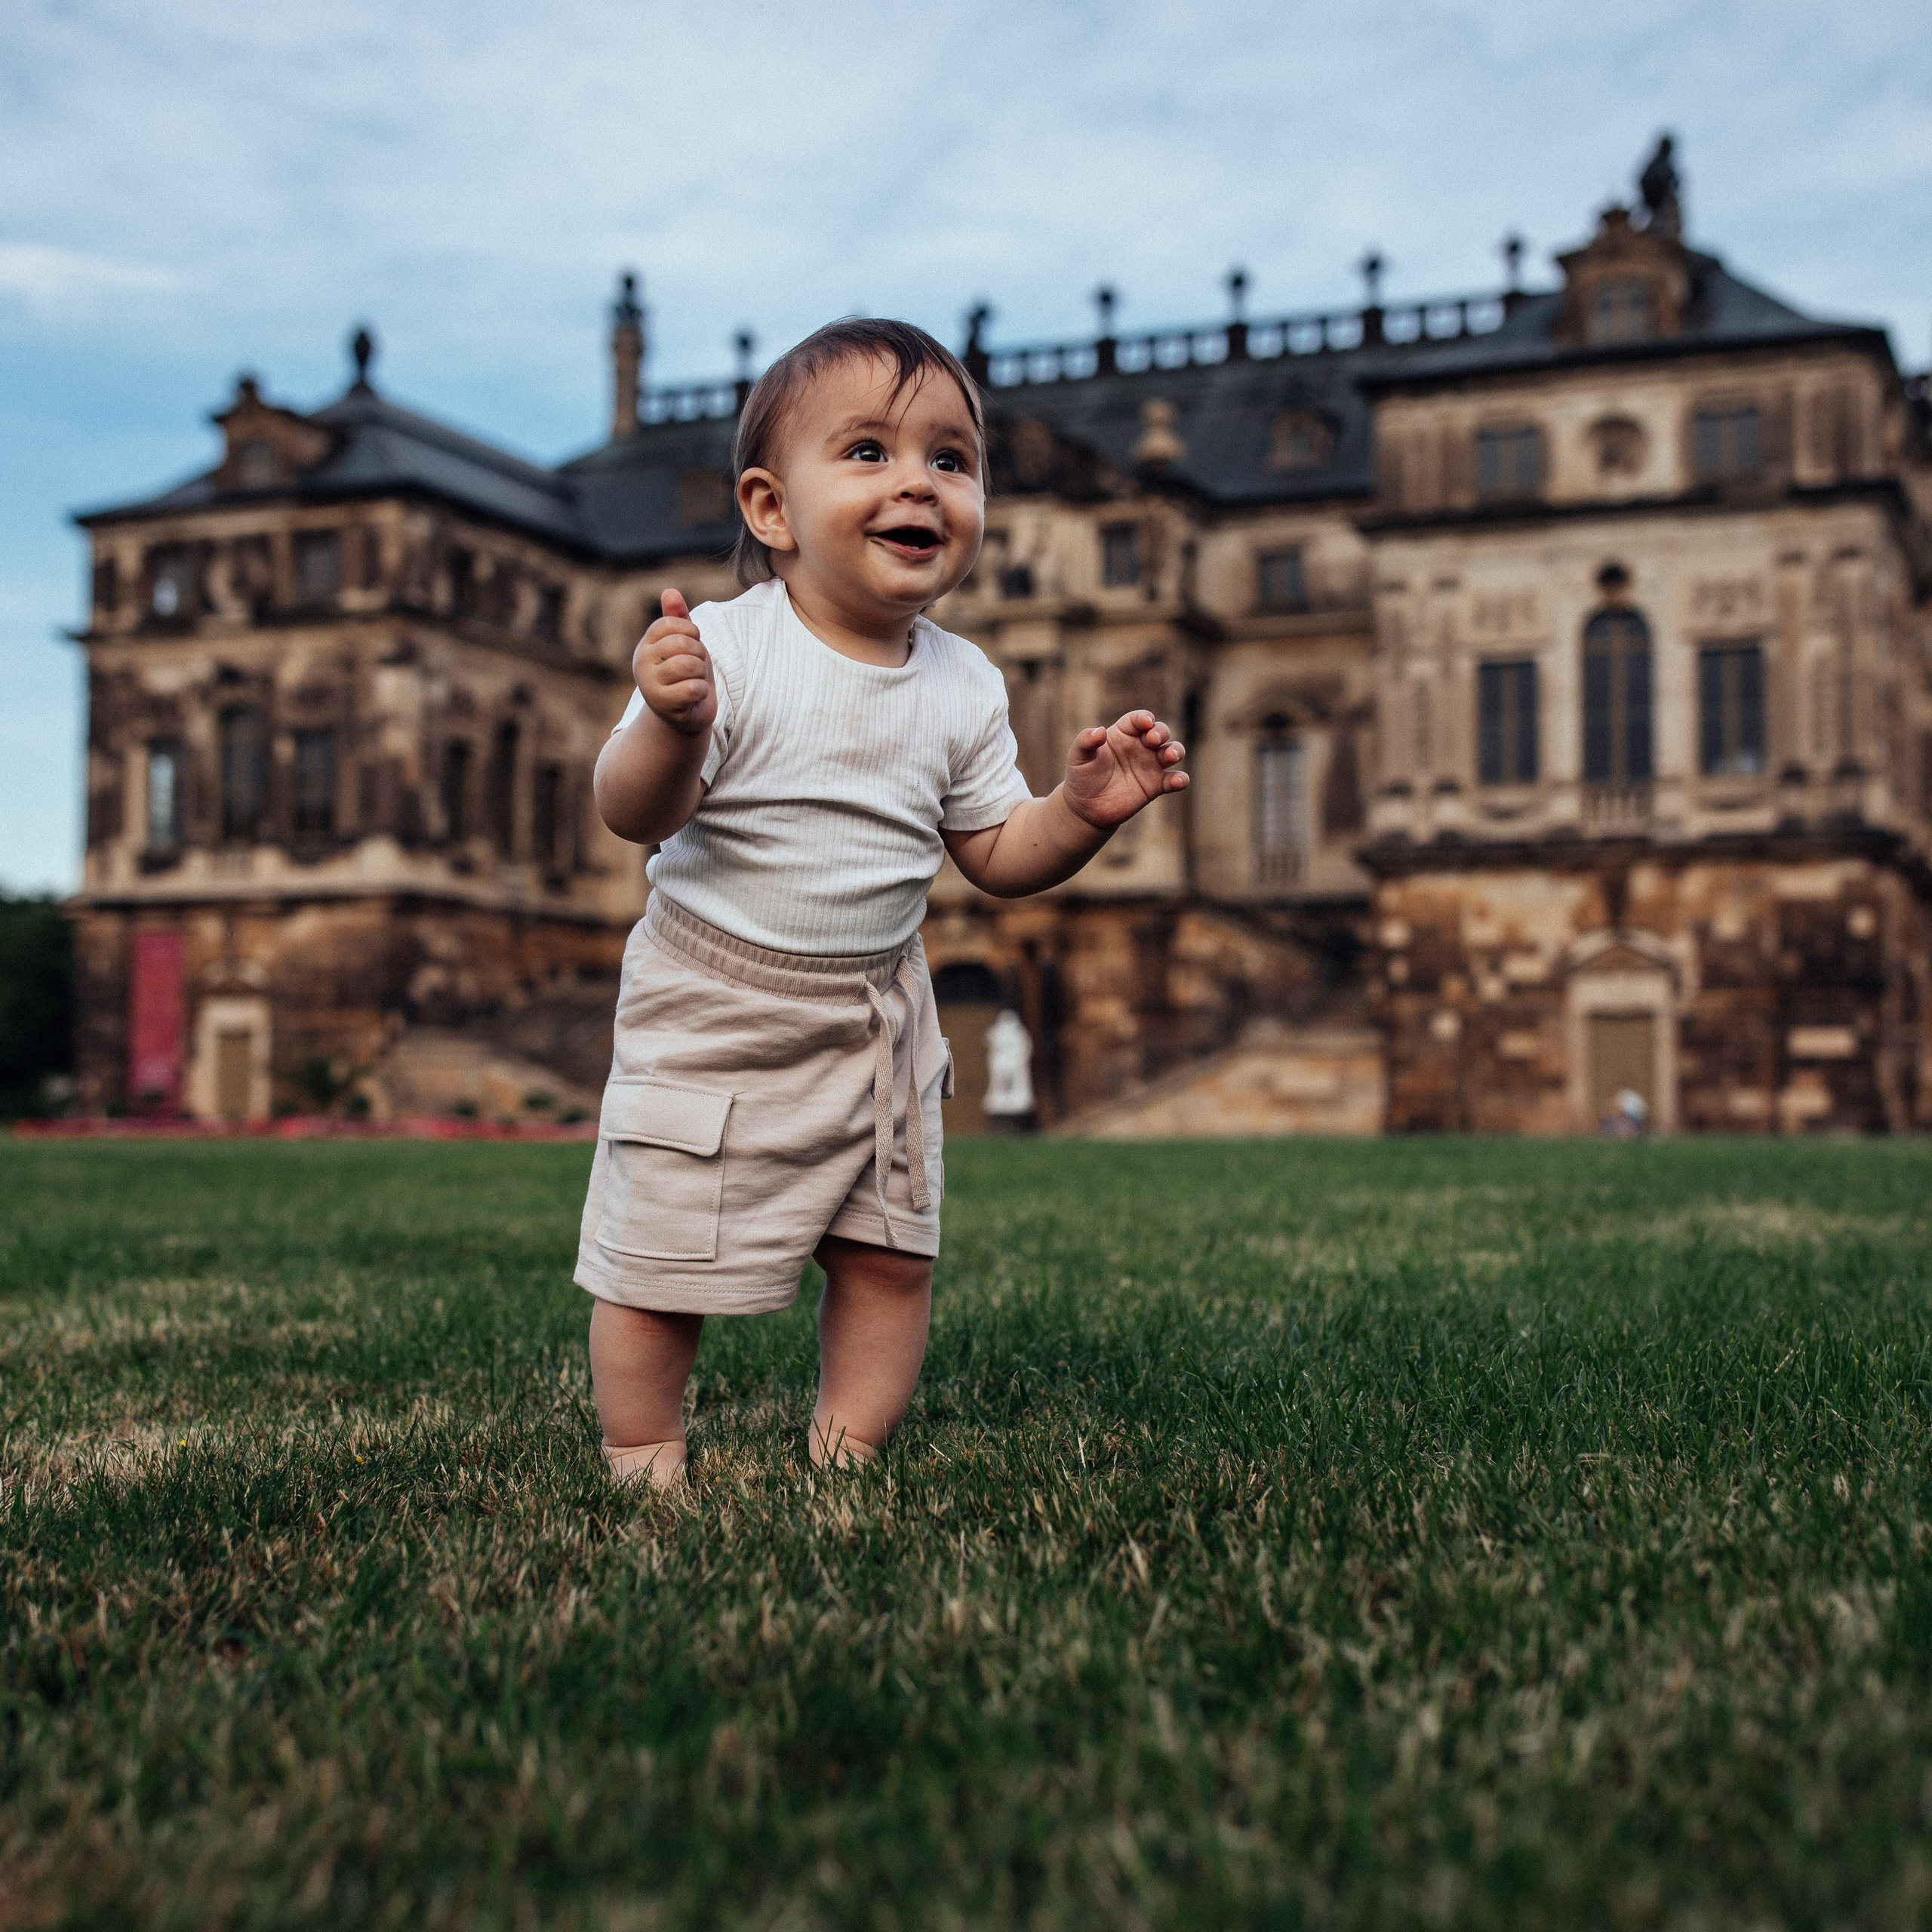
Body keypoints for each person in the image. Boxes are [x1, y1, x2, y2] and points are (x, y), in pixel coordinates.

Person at [580, 317, 1189, 1487]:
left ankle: (848, 1452)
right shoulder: (723, 650)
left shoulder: (965, 681)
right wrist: (667, 725)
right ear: (771, 509)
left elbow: (996, 854)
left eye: (951, 460)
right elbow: (633, 814)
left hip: (879, 1018)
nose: (919, 481)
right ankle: (643, 1449)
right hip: (714, 1004)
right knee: (659, 1264)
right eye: (867, 452)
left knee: (890, 1258)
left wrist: (1080, 809)